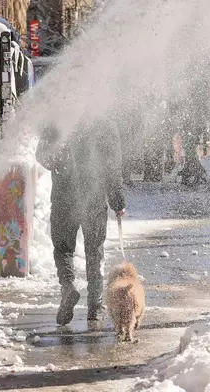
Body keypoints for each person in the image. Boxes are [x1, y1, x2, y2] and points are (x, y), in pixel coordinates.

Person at [36, 118, 126, 326]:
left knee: (63, 248)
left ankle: (68, 286)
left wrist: (60, 159)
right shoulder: (106, 124)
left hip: (63, 198)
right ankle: (95, 306)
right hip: (93, 199)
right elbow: (113, 167)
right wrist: (117, 200)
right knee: (94, 249)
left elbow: (42, 155)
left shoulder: (59, 120)